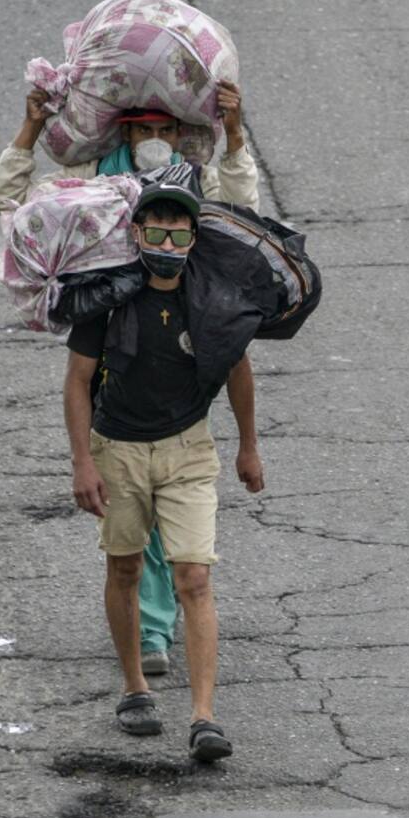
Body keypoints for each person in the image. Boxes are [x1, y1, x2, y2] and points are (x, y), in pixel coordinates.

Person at [0, 79, 260, 676]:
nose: (156, 141)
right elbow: (9, 202)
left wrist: (235, 134)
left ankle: (157, 629)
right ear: (127, 133)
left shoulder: (194, 181)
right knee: (133, 519)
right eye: (144, 131)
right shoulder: (90, 178)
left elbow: (242, 213)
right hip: (118, 352)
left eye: (167, 130)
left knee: (175, 502)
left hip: (183, 355)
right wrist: (30, 129)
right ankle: (144, 631)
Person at [63, 180, 264, 762]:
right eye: (157, 231)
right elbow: (78, 383)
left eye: (179, 233)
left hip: (188, 450)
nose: (168, 243)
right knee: (123, 568)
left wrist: (248, 446)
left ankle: (204, 717)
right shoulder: (107, 298)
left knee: (194, 579)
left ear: (193, 238)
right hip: (117, 448)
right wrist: (83, 462)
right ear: (137, 233)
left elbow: (238, 371)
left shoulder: (212, 301)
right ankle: (135, 689)